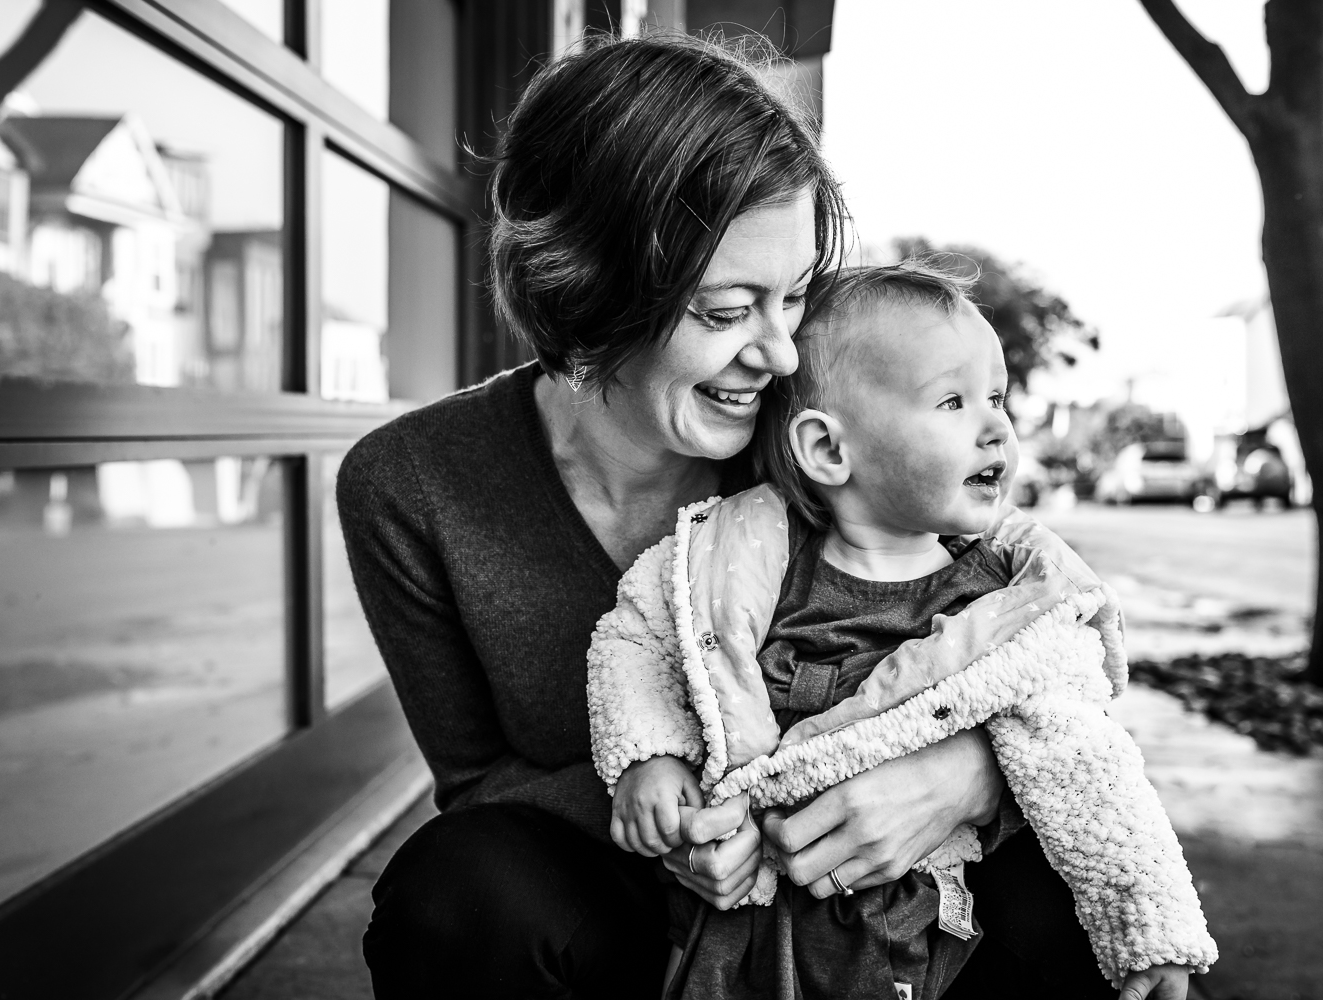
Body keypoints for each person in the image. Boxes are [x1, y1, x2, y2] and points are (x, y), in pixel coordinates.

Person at [340, 31, 1132, 999]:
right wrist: (687, 817)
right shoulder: (410, 486)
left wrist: (970, 775)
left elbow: (1045, 635)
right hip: (638, 915)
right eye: (726, 313)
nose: (784, 355)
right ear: (587, 285)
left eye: (793, 297)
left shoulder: (822, 437)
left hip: (895, 911)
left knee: (1072, 897)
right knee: (453, 894)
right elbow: (480, 785)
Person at [589, 263, 1218, 1000]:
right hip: (735, 942)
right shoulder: (730, 561)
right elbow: (636, 639)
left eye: (996, 398)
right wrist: (648, 759)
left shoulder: (1010, 613)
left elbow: (1094, 780)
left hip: (910, 956)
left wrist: (1149, 935)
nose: (996, 427)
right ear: (828, 450)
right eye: (952, 401)